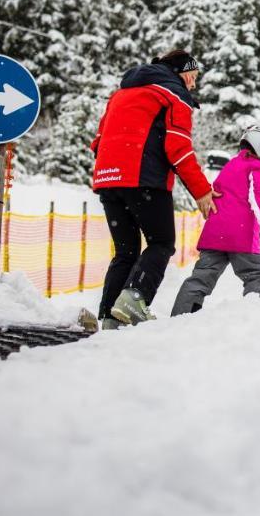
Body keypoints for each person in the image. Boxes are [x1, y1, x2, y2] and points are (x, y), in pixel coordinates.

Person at [90, 49, 218, 327]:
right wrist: (201, 191)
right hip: (144, 179)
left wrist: (115, 166)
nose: (193, 84)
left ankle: (109, 317)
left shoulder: (120, 95)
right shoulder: (174, 95)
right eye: (193, 77)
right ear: (181, 73)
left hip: (107, 179)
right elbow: (178, 147)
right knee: (161, 243)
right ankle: (135, 299)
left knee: (126, 251)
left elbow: (98, 141)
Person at [171, 124, 260, 315]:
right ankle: (254, 315)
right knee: (255, 277)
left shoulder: (233, 164)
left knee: (200, 279)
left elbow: (232, 202)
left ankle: (181, 316)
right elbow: (257, 200)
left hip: (215, 234)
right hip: (241, 237)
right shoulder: (259, 169)